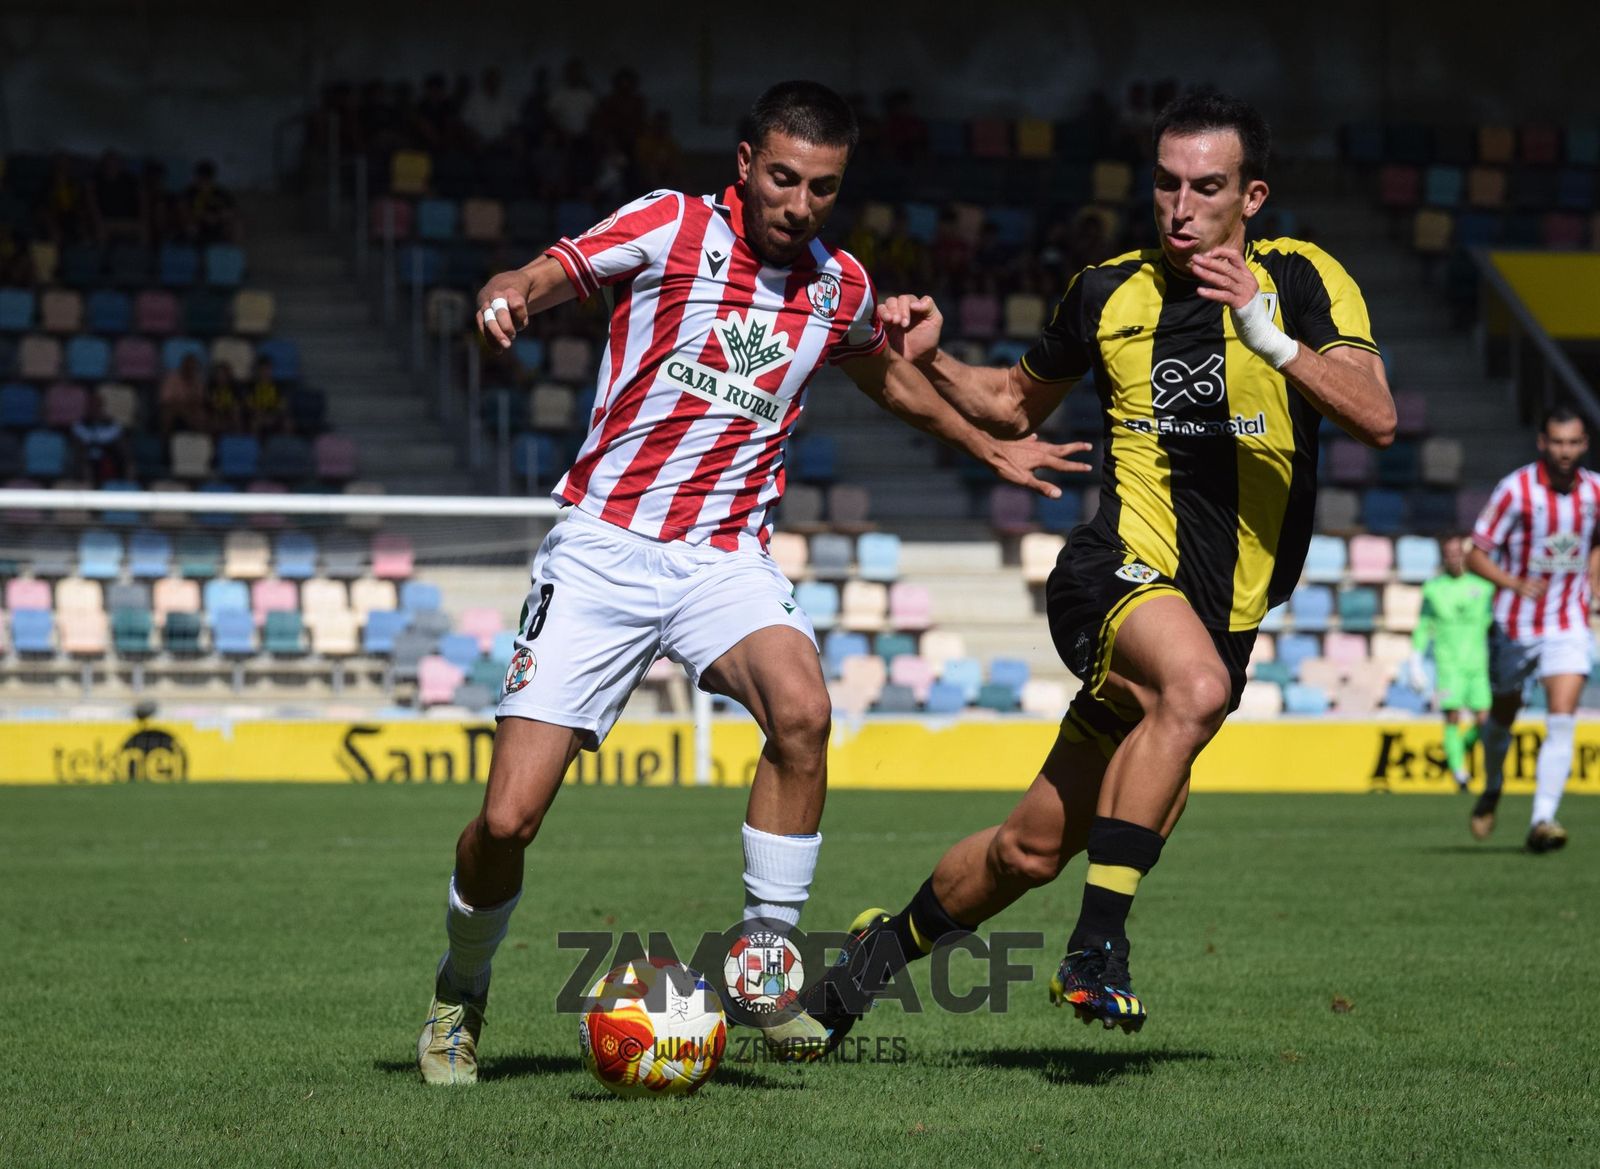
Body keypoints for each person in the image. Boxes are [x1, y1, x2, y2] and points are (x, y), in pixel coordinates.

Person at [413, 79, 1088, 1085]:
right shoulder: (671, 225)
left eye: (821, 187)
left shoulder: (838, 286)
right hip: (603, 543)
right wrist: (503, 291)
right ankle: (460, 991)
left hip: (722, 556)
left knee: (803, 710)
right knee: (507, 819)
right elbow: (550, 272)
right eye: (782, 178)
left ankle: (763, 957)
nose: (799, 202)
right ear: (743, 164)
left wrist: (990, 448)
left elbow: (891, 377)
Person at [798, 87, 1395, 1045]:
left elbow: (1377, 413)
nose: (1181, 205)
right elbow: (1009, 406)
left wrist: (1270, 337)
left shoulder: (1306, 278)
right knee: (1194, 688)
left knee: (1029, 849)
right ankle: (1097, 950)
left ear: (1253, 197)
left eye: (1207, 187)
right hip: (1113, 572)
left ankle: (861, 968)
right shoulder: (1105, 291)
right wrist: (937, 362)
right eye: (1166, 183)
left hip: (1223, 608)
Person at [1465, 407, 1600, 851]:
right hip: (1515, 624)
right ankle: (1493, 783)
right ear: (1543, 442)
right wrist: (1514, 583)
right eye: (1557, 442)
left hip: (1570, 621)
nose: (1565, 451)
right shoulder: (1515, 490)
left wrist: (1593, 581)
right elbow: (1475, 553)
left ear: (1584, 444)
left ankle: (1543, 819)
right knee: (1503, 715)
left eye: (1574, 442)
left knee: (1561, 718)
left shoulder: (1596, 491)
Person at [1405, 535, 1494, 790]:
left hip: (1478, 665)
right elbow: (1423, 627)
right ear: (1444, 557)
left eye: (1458, 552)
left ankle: (1457, 752)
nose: (1454, 557)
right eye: (1449, 553)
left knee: (1484, 721)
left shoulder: (1484, 587)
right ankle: (1460, 774)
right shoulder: (1433, 589)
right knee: (1452, 716)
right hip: (1449, 665)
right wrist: (1415, 662)